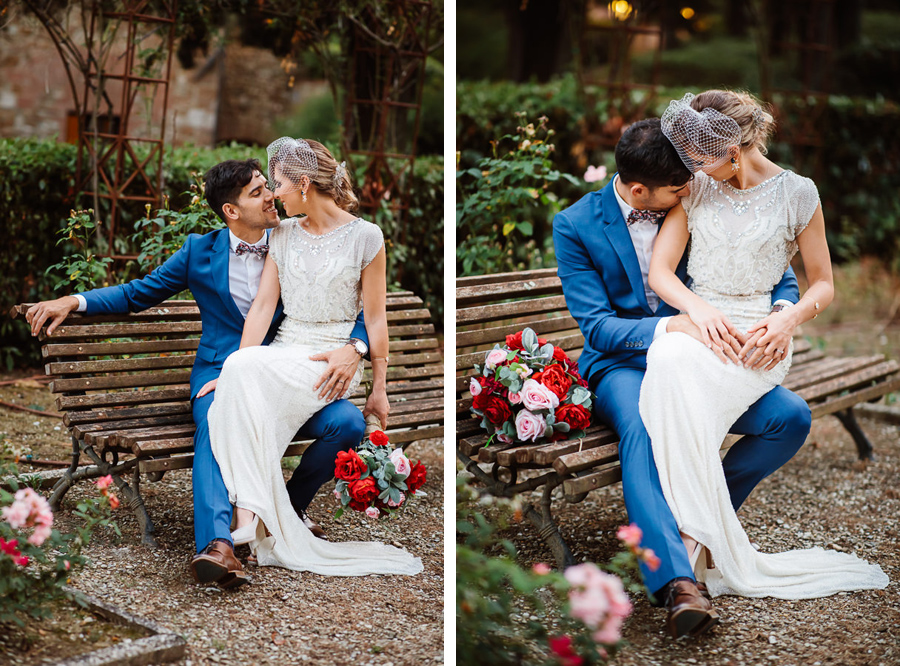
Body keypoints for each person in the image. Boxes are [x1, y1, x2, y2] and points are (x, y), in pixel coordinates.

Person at [24, 158, 371, 589]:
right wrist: (73, 301)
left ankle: (287, 513)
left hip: (289, 373)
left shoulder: (294, 238)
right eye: (258, 191)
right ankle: (217, 545)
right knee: (214, 419)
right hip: (219, 372)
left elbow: (351, 299)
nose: (271, 197)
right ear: (231, 210)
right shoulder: (198, 252)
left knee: (349, 424)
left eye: (269, 186)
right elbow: (136, 293)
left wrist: (356, 347)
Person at [552, 117, 810, 638]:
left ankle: (702, 527)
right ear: (641, 189)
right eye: (678, 188)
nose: (690, 190)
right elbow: (598, 328)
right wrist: (675, 325)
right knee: (645, 427)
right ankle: (677, 582)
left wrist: (783, 310)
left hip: (706, 361)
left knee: (790, 418)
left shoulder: (695, 196)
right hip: (623, 364)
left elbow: (772, 266)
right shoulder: (576, 224)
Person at [639, 90, 888, 602]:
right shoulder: (699, 188)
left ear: (733, 148)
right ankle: (691, 551)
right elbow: (662, 271)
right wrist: (698, 311)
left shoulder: (799, 194)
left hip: (758, 337)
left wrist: (788, 320)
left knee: (681, 391)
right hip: (699, 323)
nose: (690, 165)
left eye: (700, 153)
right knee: (667, 359)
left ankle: (680, 560)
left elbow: (822, 283)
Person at [202, 137, 422, 576]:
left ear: (303, 184)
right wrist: (238, 369)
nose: (273, 195)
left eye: (277, 184)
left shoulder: (366, 237)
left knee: (240, 375)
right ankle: (250, 516)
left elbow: (375, 320)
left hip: (332, 362)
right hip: (284, 353)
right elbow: (264, 308)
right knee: (241, 386)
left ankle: (249, 516)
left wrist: (379, 388)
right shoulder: (281, 235)